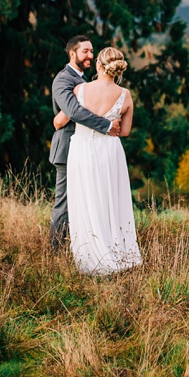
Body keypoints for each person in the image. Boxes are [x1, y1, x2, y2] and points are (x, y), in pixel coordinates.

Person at [52, 46, 141, 275]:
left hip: (82, 150)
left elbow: (60, 121)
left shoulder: (81, 90)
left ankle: (91, 256)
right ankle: (119, 254)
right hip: (110, 151)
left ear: (99, 66)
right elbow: (125, 132)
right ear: (117, 69)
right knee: (111, 200)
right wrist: (110, 123)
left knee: (85, 200)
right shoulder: (125, 95)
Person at [49, 36, 121, 250]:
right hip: (67, 148)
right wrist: (107, 125)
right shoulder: (63, 80)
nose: (90, 55)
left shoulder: (86, 82)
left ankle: (86, 248)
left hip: (88, 150)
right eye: (85, 51)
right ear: (73, 53)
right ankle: (56, 251)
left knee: (88, 201)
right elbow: (73, 111)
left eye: (92, 51)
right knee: (65, 204)